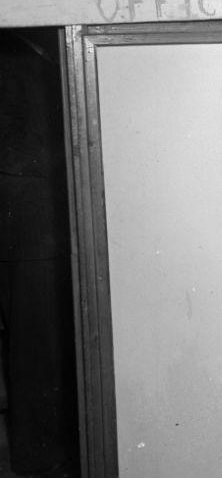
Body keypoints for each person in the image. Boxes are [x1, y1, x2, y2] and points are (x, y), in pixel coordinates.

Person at [0, 29, 79, 477]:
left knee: (35, 350)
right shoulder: (19, 54)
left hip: (30, 221)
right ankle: (42, 460)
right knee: (38, 352)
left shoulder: (29, 47)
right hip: (30, 224)